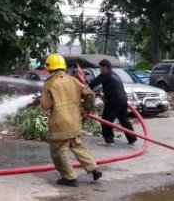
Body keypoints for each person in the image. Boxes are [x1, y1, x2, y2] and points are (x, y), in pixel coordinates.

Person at [41, 53, 102, 187]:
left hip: (59, 124)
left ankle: (69, 177)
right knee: (77, 145)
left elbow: (45, 106)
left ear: (49, 67)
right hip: (74, 122)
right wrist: (87, 109)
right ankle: (94, 168)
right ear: (63, 66)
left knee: (58, 151)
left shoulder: (49, 83)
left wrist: (42, 100)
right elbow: (90, 94)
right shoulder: (73, 80)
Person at [88, 59, 138, 146]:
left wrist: (84, 90)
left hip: (114, 101)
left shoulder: (105, 74)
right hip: (123, 99)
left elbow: (92, 84)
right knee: (124, 120)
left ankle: (109, 140)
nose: (100, 70)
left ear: (105, 67)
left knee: (106, 120)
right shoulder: (115, 75)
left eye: (100, 67)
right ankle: (132, 139)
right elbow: (113, 87)